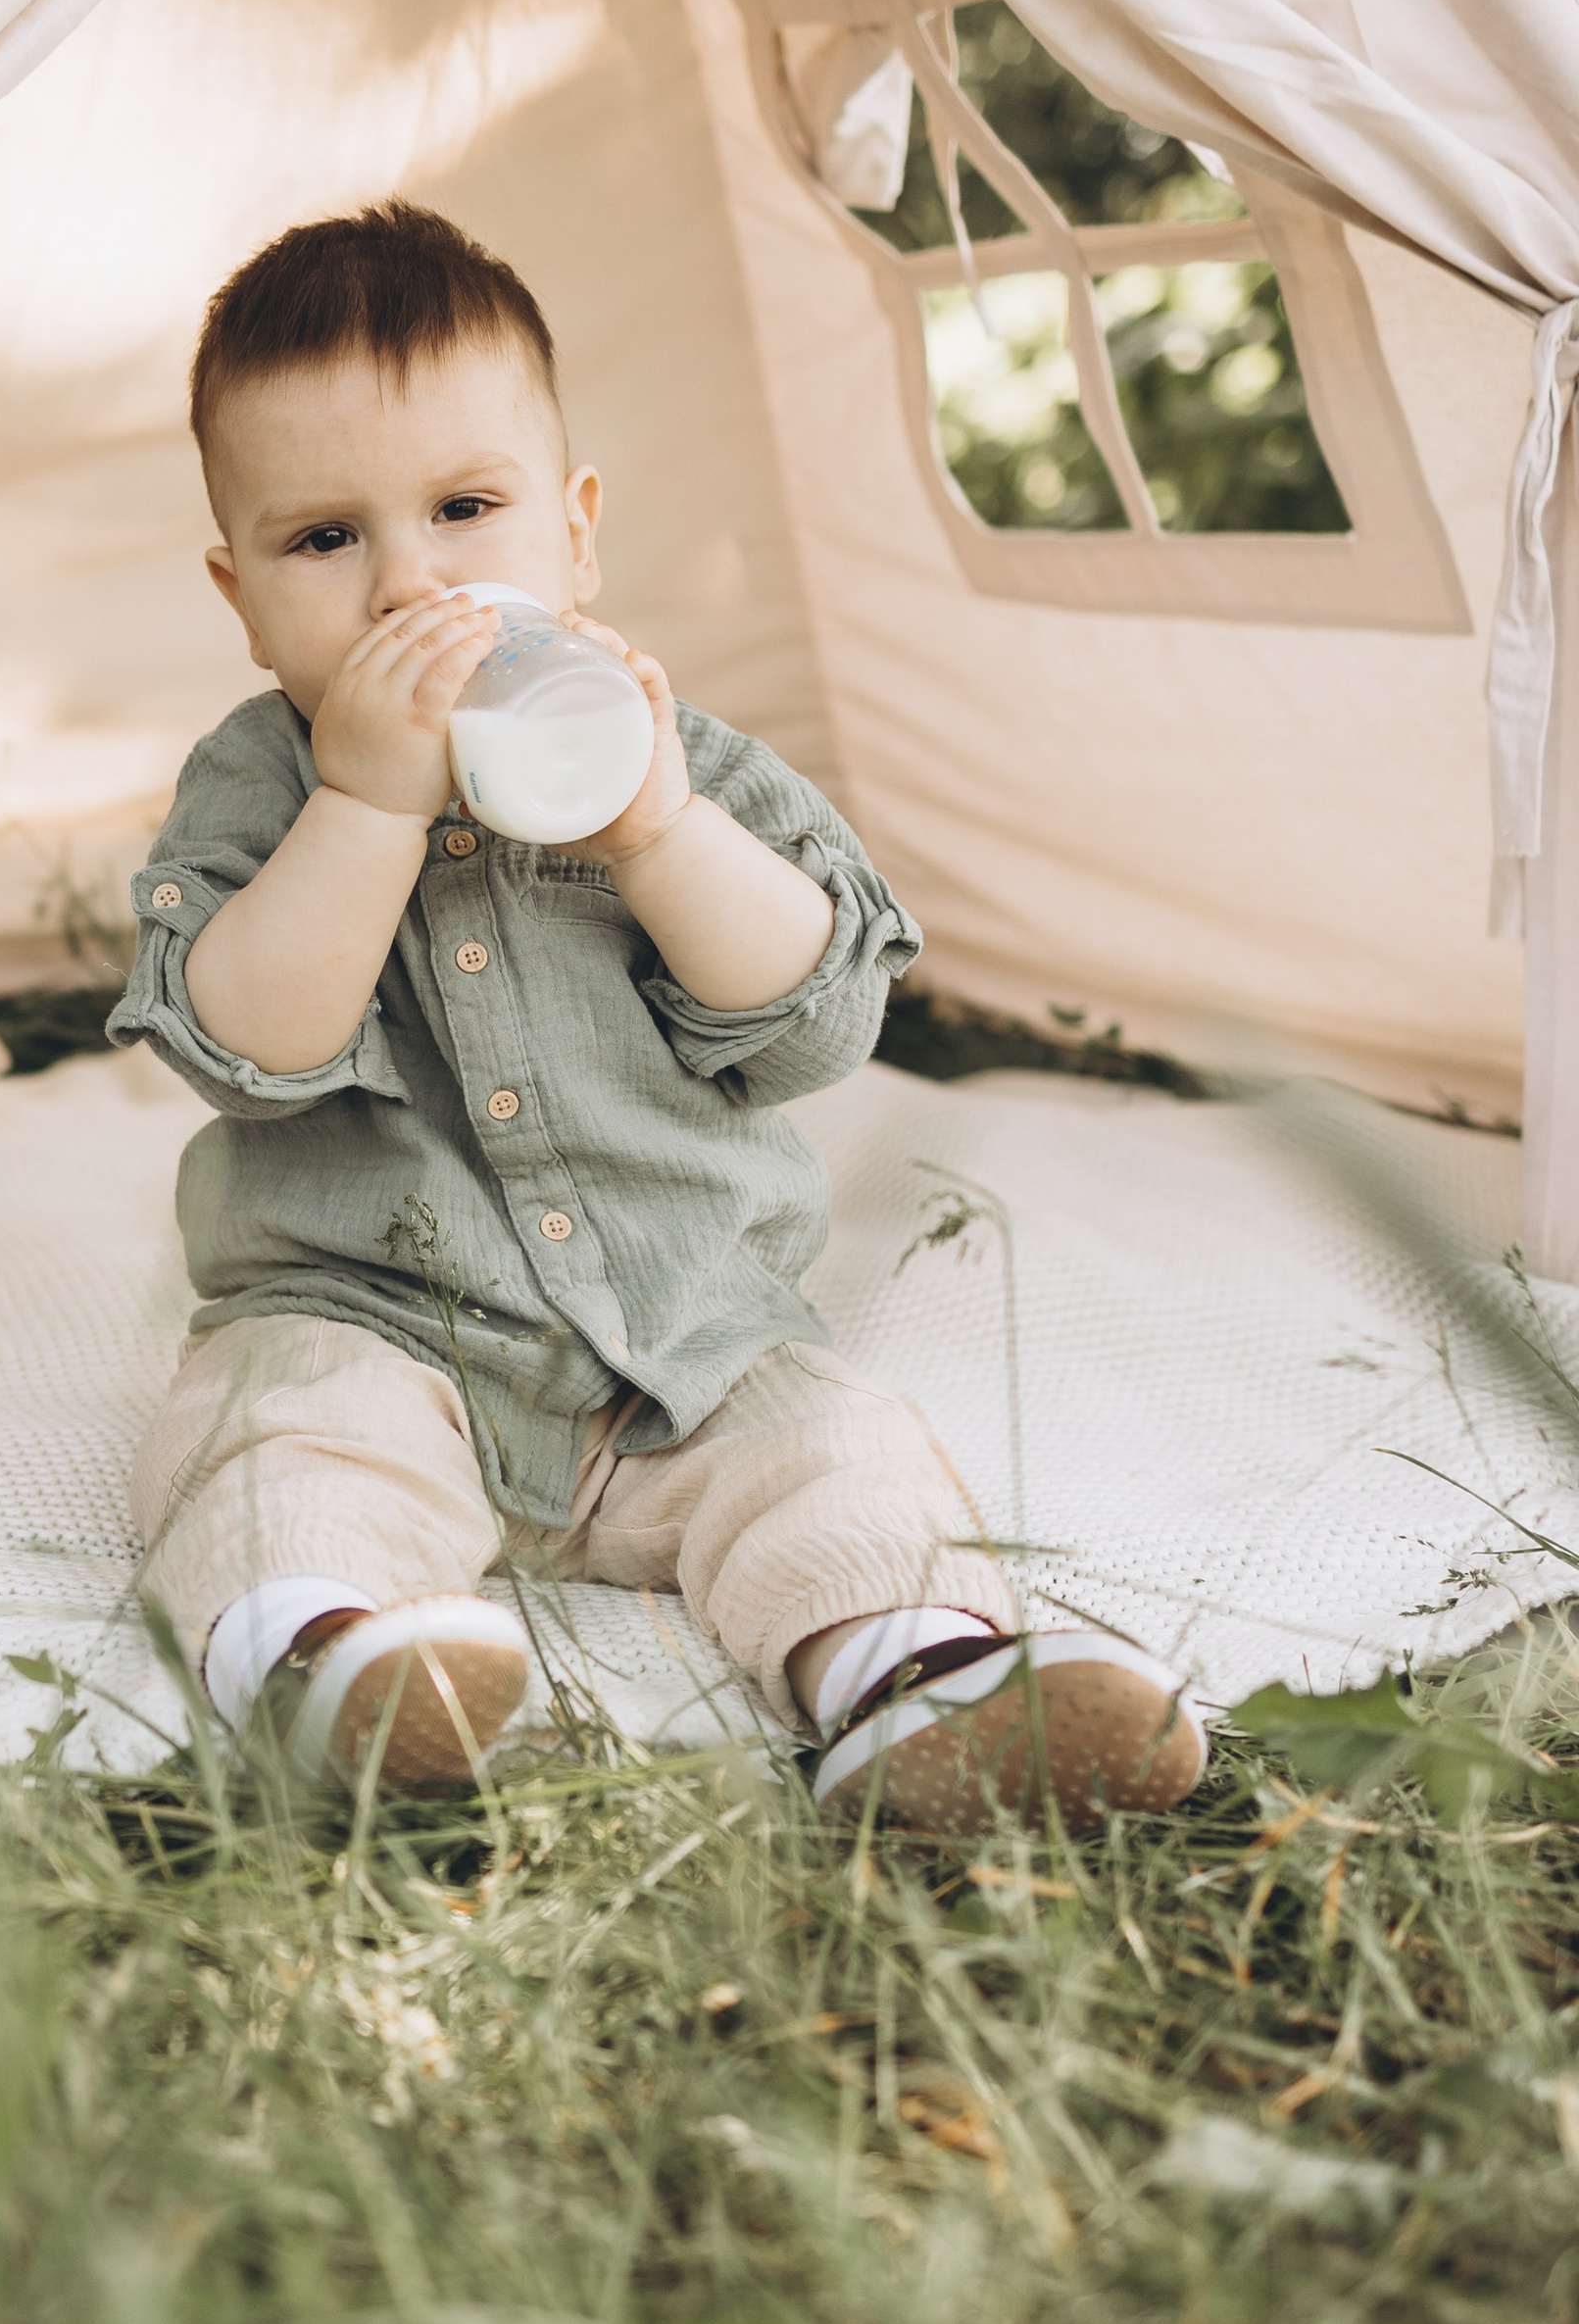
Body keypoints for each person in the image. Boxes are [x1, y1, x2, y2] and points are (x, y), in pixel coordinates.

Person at [110, 204, 1204, 1834]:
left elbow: (815, 1022)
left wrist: (656, 834)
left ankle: (909, 1674)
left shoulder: (664, 752)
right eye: (325, 540)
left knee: (829, 1445)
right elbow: (246, 1050)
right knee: (271, 1436)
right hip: (373, 1321)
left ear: (577, 531)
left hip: (680, 1341)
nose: (412, 579)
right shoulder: (259, 783)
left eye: (467, 509)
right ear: (241, 593)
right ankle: (331, 1660)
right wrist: (363, 806)